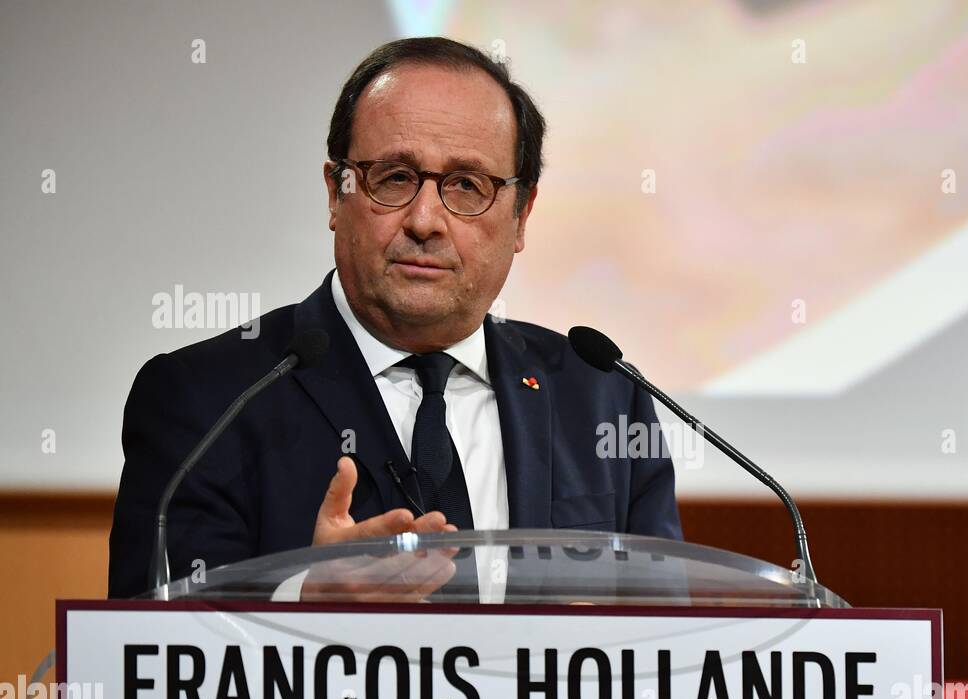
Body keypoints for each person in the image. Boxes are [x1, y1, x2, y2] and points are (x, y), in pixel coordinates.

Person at [107, 37, 681, 599]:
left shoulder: (602, 396)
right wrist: (305, 606)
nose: (426, 220)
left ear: (522, 215)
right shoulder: (208, 400)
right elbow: (148, 659)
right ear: (337, 192)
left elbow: (669, 646)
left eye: (466, 184)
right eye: (396, 177)